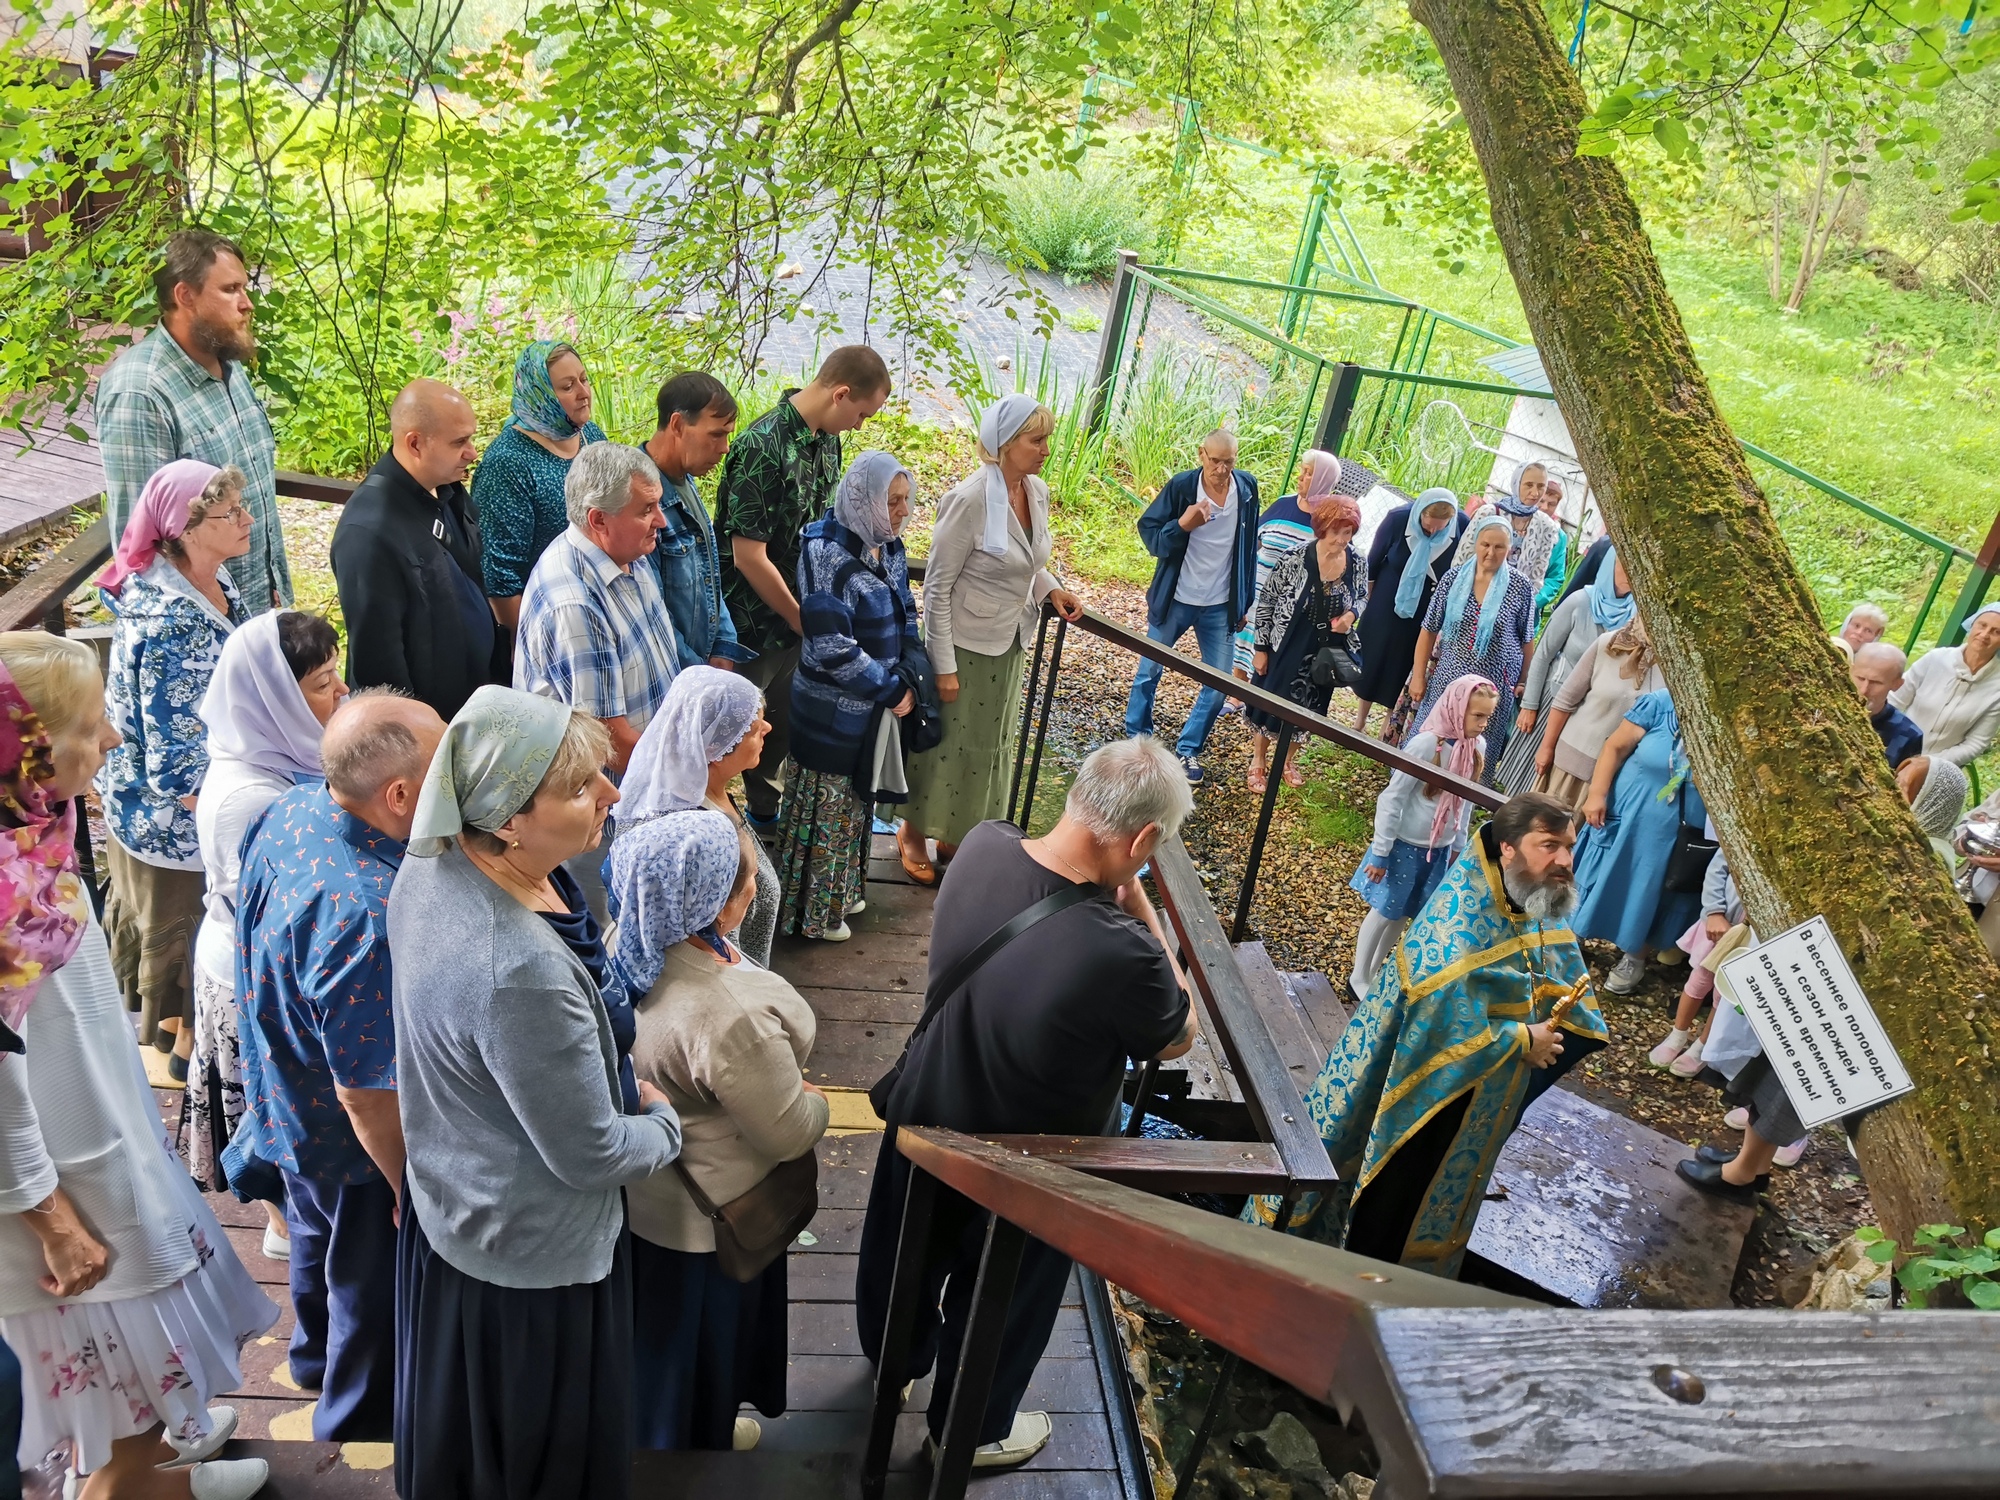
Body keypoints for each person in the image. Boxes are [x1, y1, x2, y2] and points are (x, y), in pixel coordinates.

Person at [857, 738, 1196, 1469]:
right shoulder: (1123, 952)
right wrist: (1144, 913)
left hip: (927, 1102)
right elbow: (1178, 1034)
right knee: (1003, 1297)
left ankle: (894, 1362)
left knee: (902, 1254)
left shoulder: (982, 844)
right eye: (1152, 849)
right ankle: (965, 1431)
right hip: (1029, 1156)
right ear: (1140, 839)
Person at [0, 631, 276, 1500]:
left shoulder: (36, 830)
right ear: (28, 748)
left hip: (104, 1136)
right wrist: (51, 1219)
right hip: (62, 1188)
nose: (115, 739)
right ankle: (133, 1480)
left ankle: (158, 1450)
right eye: (92, 723)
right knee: (116, 1362)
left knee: (141, 1359)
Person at [389, 686, 683, 1500]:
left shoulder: (432, 864)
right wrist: (662, 1124)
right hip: (526, 1264)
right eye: (585, 785)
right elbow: (590, 1153)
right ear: (510, 818)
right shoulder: (515, 969)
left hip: (454, 1201)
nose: (613, 794)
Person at [1245, 792, 1606, 1274]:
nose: (1564, 860)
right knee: (1396, 1201)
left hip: (1475, 1105)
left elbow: (1554, 968)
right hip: (1411, 1106)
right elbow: (1438, 1028)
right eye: (1549, 846)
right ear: (1508, 849)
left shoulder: (1532, 902)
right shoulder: (1457, 930)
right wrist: (1522, 1041)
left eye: (1568, 846)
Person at [234, 691, 445, 1444]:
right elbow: (367, 1093)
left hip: (281, 1095)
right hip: (346, 1143)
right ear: (398, 795)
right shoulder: (368, 911)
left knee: (312, 1246)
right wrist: (408, 1187)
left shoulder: (291, 808)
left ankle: (314, 1358)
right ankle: (357, 1422)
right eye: (444, 765)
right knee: (367, 1284)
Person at [613, 811, 829, 1451]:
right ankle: (687, 1455)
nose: (756, 891)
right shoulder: (729, 1014)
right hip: (712, 1222)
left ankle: (656, 1434)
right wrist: (813, 1100)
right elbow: (789, 1133)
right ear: (708, 901)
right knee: (703, 1353)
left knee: (655, 1347)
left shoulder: (626, 941)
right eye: (744, 885)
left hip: (642, 1203)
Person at [186, 611, 344, 1257]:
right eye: (323, 685)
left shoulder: (287, 756)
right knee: (279, 1121)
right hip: (251, 977)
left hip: (278, 966)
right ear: (274, 698)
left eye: (338, 677)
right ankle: (288, 1233)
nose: (342, 694)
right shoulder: (249, 795)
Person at [96, 459, 251, 1064]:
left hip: (184, 793)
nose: (247, 518)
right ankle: (187, 1045)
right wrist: (236, 818)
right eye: (230, 512)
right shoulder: (169, 623)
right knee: (190, 936)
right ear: (186, 529)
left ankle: (183, 1034)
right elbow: (176, 767)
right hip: (170, 813)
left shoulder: (209, 579)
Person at [896, 395, 1083, 883]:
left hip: (1009, 641)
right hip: (963, 647)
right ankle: (913, 832)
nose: (1045, 449)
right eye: (1035, 439)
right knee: (945, 746)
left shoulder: (1034, 492)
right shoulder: (970, 498)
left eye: (1047, 439)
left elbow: (1031, 561)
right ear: (1003, 443)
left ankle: (957, 833)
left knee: (984, 747)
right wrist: (943, 666)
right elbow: (936, 587)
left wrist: (1052, 588)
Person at [715, 346, 893, 828]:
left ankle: (765, 818)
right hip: (753, 624)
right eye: (861, 413)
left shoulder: (826, 441)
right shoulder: (762, 446)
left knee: (781, 731)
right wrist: (803, 619)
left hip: (806, 619)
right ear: (840, 394)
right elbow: (747, 556)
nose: (860, 426)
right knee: (731, 731)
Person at [96, 228, 288, 611]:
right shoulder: (140, 393)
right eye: (231, 289)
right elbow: (142, 550)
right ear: (186, 296)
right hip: (202, 633)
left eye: (244, 288)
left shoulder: (228, 367)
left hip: (263, 606)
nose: (247, 303)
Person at [777, 452, 920, 942]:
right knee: (827, 807)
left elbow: (906, 610)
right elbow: (830, 646)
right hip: (829, 710)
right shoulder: (824, 552)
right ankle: (814, 915)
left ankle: (843, 891)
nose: (902, 511)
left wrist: (909, 667)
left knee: (857, 803)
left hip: (873, 706)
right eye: (892, 501)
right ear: (864, 500)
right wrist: (892, 688)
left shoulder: (888, 546)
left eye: (905, 499)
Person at [330, 378, 501, 721]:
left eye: (471, 438)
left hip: (477, 707)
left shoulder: (448, 489)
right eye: (460, 442)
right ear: (415, 443)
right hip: (428, 731)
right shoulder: (367, 533)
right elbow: (379, 670)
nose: (472, 453)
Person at [1346, 677, 1498, 1001]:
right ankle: (1358, 975)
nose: (1484, 725)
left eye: (1487, 717)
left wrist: (1457, 846)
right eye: (1477, 716)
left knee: (1402, 913)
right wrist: (1381, 850)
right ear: (1458, 709)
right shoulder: (1427, 745)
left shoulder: (1476, 747)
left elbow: (1465, 803)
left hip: (1438, 849)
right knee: (1385, 909)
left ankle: (1373, 972)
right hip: (1405, 844)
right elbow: (1392, 798)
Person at [617, 668, 781, 967]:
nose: (768, 728)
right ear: (716, 750)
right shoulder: (692, 838)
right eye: (755, 728)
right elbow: (708, 944)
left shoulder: (706, 788)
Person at [1127, 430, 1261, 783]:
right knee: (1148, 672)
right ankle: (1136, 739)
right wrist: (1183, 525)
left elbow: (1247, 550)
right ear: (1201, 454)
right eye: (1214, 460)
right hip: (1176, 598)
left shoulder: (1246, 489)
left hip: (1220, 605)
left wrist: (1243, 599)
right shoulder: (1183, 487)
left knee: (1217, 684)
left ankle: (1188, 750)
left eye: (1228, 461)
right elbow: (1152, 537)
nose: (1220, 469)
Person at [1571, 688, 1707, 995]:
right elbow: (1615, 747)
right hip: (1630, 812)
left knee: (1657, 889)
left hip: (1683, 829)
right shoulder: (1661, 703)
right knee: (1601, 871)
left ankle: (1634, 957)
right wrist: (1596, 794)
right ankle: (1569, 936)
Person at [474, 341, 608, 631]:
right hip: (548, 624)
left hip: (602, 606)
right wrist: (534, 637)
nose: (584, 393)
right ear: (540, 394)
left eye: (584, 380)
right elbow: (500, 579)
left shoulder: (591, 436)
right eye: (568, 386)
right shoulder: (508, 463)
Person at [1245, 492, 1366, 790]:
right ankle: (1258, 760)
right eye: (1336, 532)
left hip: (1326, 648)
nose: (1341, 539)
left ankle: (1286, 761)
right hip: (1286, 642)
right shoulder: (1294, 558)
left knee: (1311, 707)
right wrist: (1260, 648)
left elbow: (1363, 595)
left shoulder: (1358, 560)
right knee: (1269, 700)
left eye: (1347, 532)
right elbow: (1267, 602)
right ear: (1322, 528)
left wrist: (1351, 614)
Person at [1497, 548, 1636, 793]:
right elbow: (1543, 653)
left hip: (1588, 713)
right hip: (1551, 702)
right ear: (1608, 566)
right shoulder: (1579, 602)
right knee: (1526, 776)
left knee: (1552, 785)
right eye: (1623, 564)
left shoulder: (1634, 618)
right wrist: (1530, 705)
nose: (1629, 573)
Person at [1407, 514, 1536, 776]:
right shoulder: (1453, 579)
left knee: (1477, 748)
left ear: (1509, 549)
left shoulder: (1520, 587)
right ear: (1476, 544)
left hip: (1493, 685)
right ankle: (1419, 784)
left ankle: (1464, 799)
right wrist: (1418, 676)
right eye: (1485, 544)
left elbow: (1527, 640)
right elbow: (1429, 629)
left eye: (1499, 546)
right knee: (1434, 738)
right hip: (1450, 678)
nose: (1491, 552)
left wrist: (1523, 682)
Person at [642, 372, 752, 670]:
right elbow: (649, 613)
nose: (725, 447)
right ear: (677, 424)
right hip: (675, 678)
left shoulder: (686, 479)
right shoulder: (640, 501)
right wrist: (702, 675)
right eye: (716, 434)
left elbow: (710, 576)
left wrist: (724, 644)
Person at [1352, 487, 1467, 736]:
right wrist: (1369, 603)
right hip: (1386, 598)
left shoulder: (1462, 526)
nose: (1433, 532)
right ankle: (1359, 720)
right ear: (1419, 514)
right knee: (1375, 658)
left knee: (1404, 662)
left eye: (1440, 527)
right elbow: (1373, 562)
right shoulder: (1398, 519)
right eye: (1428, 527)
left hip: (1426, 605)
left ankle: (1388, 726)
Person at [1532, 614, 1666, 810]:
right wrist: (1546, 748)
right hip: (1569, 765)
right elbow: (1565, 700)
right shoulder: (1607, 644)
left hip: (1616, 778)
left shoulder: (1672, 669)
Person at [1231, 449, 1343, 679]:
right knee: (1244, 643)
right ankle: (1235, 693)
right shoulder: (1283, 504)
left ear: (1323, 479)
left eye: (1309, 473)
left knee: (1272, 658)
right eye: (1302, 470)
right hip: (1258, 591)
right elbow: (1254, 543)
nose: (1300, 477)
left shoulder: (1331, 520)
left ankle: (1255, 701)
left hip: (1292, 604)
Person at [1889, 603, 2000, 767]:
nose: (1984, 635)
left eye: (1996, 632)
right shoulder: (1936, 659)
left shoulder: (1997, 686)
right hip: (1891, 749)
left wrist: (1928, 763)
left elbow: (1975, 743)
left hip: (1935, 770)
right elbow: (1895, 701)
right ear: (1972, 625)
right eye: (1982, 625)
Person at [1450, 462, 1563, 611]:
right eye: (1529, 485)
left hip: (1510, 610)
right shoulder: (1489, 513)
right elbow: (1461, 561)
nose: (1535, 493)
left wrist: (1511, 610)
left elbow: (1536, 579)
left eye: (1541, 486)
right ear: (1517, 483)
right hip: (1471, 602)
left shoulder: (1546, 526)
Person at [1851, 641, 1923, 769]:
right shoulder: (1822, 710)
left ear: (1897, 684)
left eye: (1876, 683)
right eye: (1860, 678)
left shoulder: (1909, 735)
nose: (1863, 690)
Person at [1535, 475, 1569, 618]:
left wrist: (1534, 602)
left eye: (1552, 504)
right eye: (1541, 501)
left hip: (1531, 604)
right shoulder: (1519, 524)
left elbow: (1555, 577)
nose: (1545, 508)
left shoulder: (1559, 537)